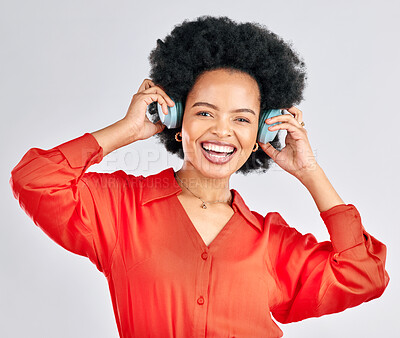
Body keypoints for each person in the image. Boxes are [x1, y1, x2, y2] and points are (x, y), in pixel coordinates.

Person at [10, 15, 389, 338]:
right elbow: (35, 179)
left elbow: (363, 274)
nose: (222, 131)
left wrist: (310, 172)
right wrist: (127, 129)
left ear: (260, 135)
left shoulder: (272, 242)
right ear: (176, 119)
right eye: (205, 113)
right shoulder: (119, 208)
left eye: (241, 119)